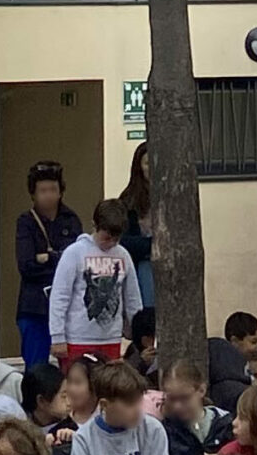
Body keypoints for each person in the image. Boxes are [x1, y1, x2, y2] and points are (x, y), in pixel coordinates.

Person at [48, 199, 143, 364]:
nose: (111, 243)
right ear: (95, 226)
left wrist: (139, 333)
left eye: (116, 239)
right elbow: (59, 296)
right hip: (78, 338)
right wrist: (57, 337)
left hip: (111, 338)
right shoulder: (74, 253)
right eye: (106, 238)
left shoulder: (123, 255)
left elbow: (133, 298)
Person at [13, 161, 83, 368]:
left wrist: (46, 257)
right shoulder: (25, 222)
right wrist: (58, 259)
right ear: (33, 194)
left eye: (53, 189)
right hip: (35, 306)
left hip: (68, 308)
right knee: (36, 368)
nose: (48, 195)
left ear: (61, 191)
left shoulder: (71, 220)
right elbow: (26, 266)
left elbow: (77, 262)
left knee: (74, 368)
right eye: (42, 190)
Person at [117, 144, 158, 316]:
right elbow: (124, 242)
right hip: (143, 267)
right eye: (148, 163)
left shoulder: (174, 196)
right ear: (139, 167)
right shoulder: (129, 199)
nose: (153, 168)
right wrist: (153, 245)